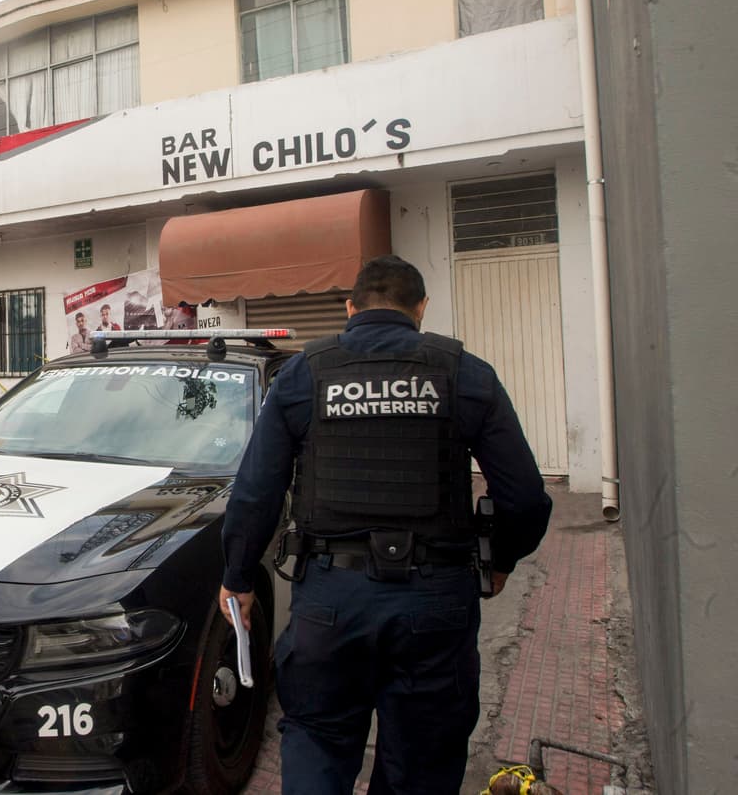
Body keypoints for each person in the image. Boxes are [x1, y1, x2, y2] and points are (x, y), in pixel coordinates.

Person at [218, 254, 552, 795]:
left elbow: (255, 492)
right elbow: (526, 499)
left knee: (318, 740)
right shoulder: (465, 373)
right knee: (422, 758)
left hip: (330, 600)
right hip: (436, 601)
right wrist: (502, 561)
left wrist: (237, 577)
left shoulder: (306, 373)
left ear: (350, 308)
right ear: (421, 308)